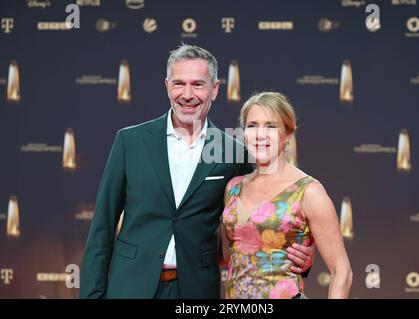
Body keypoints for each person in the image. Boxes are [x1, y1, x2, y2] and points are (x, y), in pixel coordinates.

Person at [79, 45, 314, 299]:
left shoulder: (233, 152)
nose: (187, 94)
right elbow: (102, 227)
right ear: (167, 86)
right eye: (179, 84)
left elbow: (261, 217)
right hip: (130, 287)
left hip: (196, 291)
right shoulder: (130, 141)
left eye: (198, 85)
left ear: (214, 89)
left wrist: (299, 252)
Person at [222, 92, 353, 299]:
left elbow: (341, 271)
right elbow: (228, 254)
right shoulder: (234, 188)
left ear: (287, 135)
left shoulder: (308, 191)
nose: (260, 134)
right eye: (252, 125)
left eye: (270, 126)